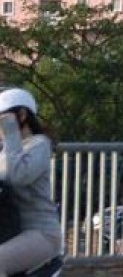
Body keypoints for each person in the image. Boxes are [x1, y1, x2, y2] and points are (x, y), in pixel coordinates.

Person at [0, 88, 63, 275]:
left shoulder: (39, 145)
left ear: (21, 115)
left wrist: (11, 132)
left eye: (2, 120)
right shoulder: (5, 151)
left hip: (41, 234)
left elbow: (18, 176)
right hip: (11, 230)